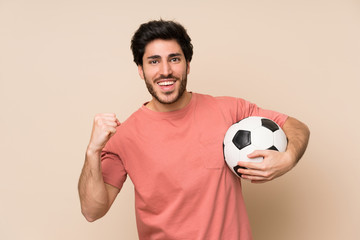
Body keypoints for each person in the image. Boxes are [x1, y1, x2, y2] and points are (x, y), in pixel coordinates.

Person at [78, 20, 310, 240]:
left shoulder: (229, 110)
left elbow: (296, 127)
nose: (165, 71)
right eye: (154, 61)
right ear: (141, 69)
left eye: (174, 59)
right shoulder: (125, 136)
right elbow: (92, 211)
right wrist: (92, 152)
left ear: (188, 64)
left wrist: (288, 159)